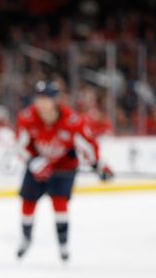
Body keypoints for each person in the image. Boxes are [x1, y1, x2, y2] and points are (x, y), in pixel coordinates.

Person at [15, 81, 114, 261]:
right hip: (38, 165)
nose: (41, 104)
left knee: (60, 204)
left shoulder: (72, 121)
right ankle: (26, 238)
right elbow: (20, 145)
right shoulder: (27, 117)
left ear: (55, 101)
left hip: (63, 167)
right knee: (27, 203)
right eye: (39, 99)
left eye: (46, 99)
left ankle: (63, 244)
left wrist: (99, 165)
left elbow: (88, 146)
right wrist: (33, 161)